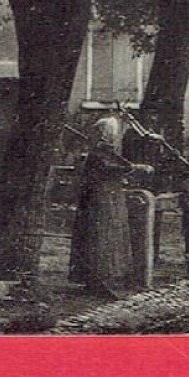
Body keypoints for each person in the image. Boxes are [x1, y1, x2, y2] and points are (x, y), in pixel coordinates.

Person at [68, 116, 155, 297]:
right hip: (99, 198)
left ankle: (110, 277)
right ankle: (99, 279)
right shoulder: (98, 152)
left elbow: (120, 164)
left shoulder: (108, 150)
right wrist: (135, 168)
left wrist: (132, 168)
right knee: (101, 235)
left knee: (112, 235)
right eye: (112, 133)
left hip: (111, 196)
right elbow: (109, 168)